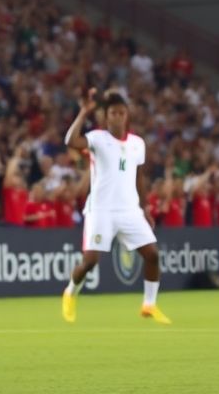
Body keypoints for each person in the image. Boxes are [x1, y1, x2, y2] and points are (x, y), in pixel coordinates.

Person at [61, 88, 170, 324]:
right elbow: (70, 141)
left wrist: (146, 208)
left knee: (152, 254)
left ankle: (149, 305)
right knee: (90, 262)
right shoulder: (97, 139)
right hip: (101, 210)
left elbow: (139, 177)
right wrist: (83, 113)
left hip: (130, 210)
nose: (118, 117)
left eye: (122, 113)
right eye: (113, 113)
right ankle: (70, 291)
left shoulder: (137, 144)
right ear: (106, 116)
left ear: (127, 115)